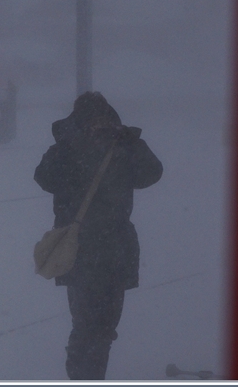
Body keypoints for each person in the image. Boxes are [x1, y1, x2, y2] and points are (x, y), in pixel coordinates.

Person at [34, 91, 163, 380]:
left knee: (101, 326)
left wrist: (129, 139)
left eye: (102, 119)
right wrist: (75, 144)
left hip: (109, 250)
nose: (98, 125)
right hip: (86, 250)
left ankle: (88, 376)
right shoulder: (69, 148)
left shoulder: (120, 146)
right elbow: (45, 177)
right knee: (90, 324)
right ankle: (84, 377)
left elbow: (152, 173)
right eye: (92, 120)